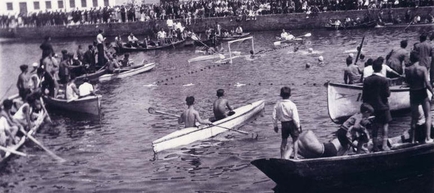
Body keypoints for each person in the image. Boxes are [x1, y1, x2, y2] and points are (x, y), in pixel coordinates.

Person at [294, 103, 374, 158]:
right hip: (336, 141)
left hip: (335, 138)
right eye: (368, 115)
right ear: (366, 112)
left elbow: (356, 141)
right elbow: (356, 130)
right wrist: (363, 131)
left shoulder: (356, 118)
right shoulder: (358, 119)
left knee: (345, 147)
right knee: (345, 147)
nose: (368, 117)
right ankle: (339, 159)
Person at [405, 50, 434, 143]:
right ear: (419, 58)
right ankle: (428, 138)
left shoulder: (407, 69)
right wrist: (433, 92)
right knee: (428, 115)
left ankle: (413, 140)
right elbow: (427, 83)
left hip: (413, 92)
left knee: (414, 117)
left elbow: (407, 82)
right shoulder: (423, 69)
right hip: (422, 92)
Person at [362, 60, 392, 152]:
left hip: (371, 107)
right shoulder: (384, 80)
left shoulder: (367, 80)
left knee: (375, 126)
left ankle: (375, 146)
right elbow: (387, 94)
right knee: (385, 124)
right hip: (383, 106)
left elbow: (364, 95)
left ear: (373, 68)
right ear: (381, 68)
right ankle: (384, 145)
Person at [272, 86, 302, 159]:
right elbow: (295, 118)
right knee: (295, 140)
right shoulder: (292, 104)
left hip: (284, 124)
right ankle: (295, 156)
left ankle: (282, 157)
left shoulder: (277, 104)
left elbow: (273, 116)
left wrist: (275, 126)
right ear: (290, 95)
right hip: (292, 123)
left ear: (281, 95)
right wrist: (298, 127)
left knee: (284, 140)